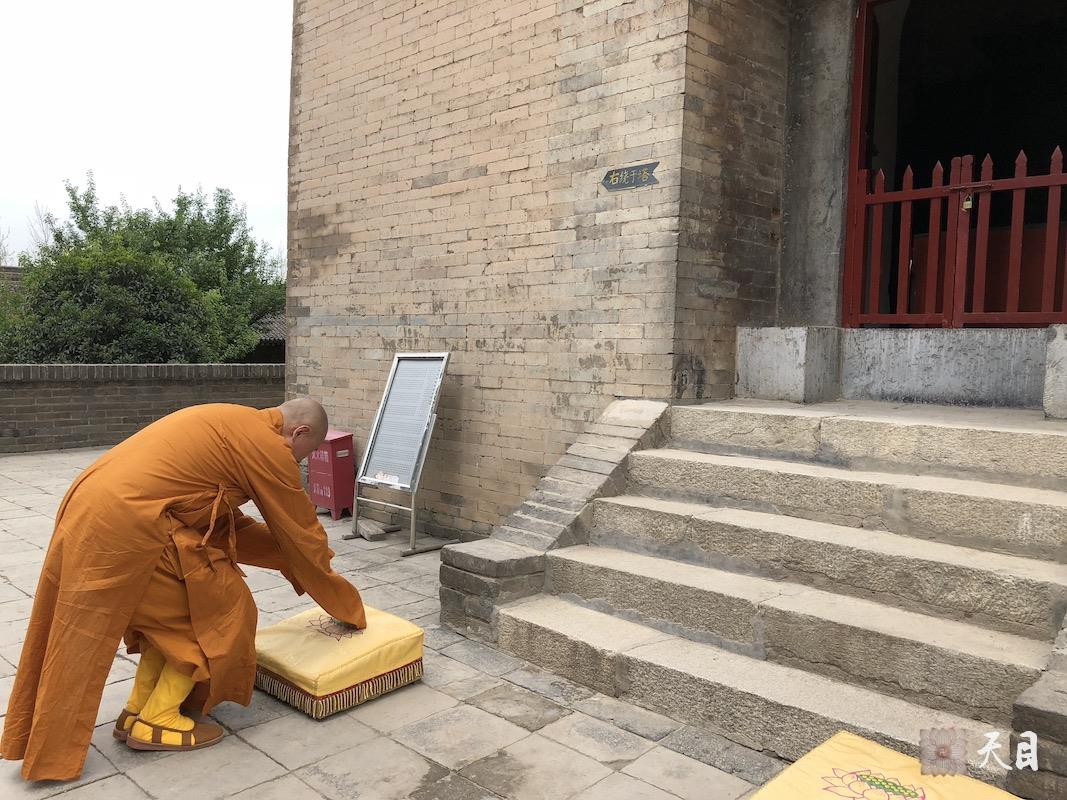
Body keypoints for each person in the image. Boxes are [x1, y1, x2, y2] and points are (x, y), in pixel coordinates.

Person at [1, 399, 366, 780]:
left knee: (165, 620)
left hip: (96, 505)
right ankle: (157, 721)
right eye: (303, 457)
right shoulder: (267, 444)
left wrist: (293, 560)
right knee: (218, 615)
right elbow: (298, 527)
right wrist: (339, 594)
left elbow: (221, 517)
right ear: (299, 433)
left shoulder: (232, 420)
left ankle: (137, 709)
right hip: (130, 521)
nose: (298, 465)